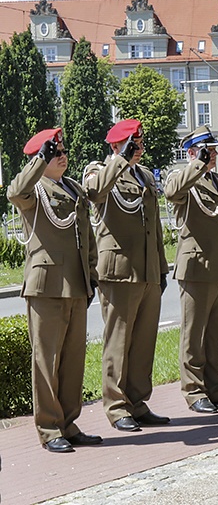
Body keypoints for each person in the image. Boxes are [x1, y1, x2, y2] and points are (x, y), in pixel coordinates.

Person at [8, 128, 102, 452]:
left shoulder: (74, 189)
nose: (61, 155)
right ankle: (49, 429)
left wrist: (92, 276)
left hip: (76, 284)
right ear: (41, 158)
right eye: (53, 152)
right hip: (46, 286)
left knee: (73, 360)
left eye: (61, 150)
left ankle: (69, 423)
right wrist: (40, 160)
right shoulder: (34, 190)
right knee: (46, 360)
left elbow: (87, 238)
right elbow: (14, 191)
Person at [84, 119, 169, 432]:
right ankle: (117, 406)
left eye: (140, 141)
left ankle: (137, 401)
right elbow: (93, 192)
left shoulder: (145, 175)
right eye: (132, 142)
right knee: (118, 342)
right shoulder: (99, 170)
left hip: (147, 270)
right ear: (115, 146)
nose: (139, 147)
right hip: (118, 271)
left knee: (143, 342)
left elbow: (155, 225)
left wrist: (161, 266)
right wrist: (120, 159)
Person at [164, 126, 218, 413]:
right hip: (197, 268)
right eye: (206, 150)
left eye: (212, 150)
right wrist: (197, 164)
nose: (213, 154)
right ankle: (194, 390)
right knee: (193, 336)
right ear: (191, 152)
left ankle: (216, 387)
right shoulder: (182, 178)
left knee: (215, 335)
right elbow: (172, 192)